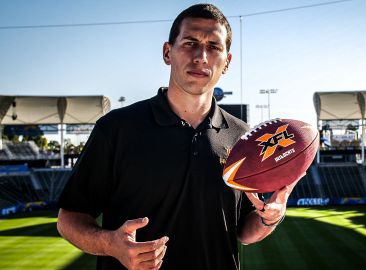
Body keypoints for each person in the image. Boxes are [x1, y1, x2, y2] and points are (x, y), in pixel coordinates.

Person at [57, 4, 298, 270]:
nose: (201, 57)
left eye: (214, 47)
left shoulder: (243, 137)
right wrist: (111, 244)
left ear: (227, 62)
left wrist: (270, 217)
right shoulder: (117, 128)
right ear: (167, 52)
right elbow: (68, 219)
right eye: (190, 42)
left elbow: (243, 231)